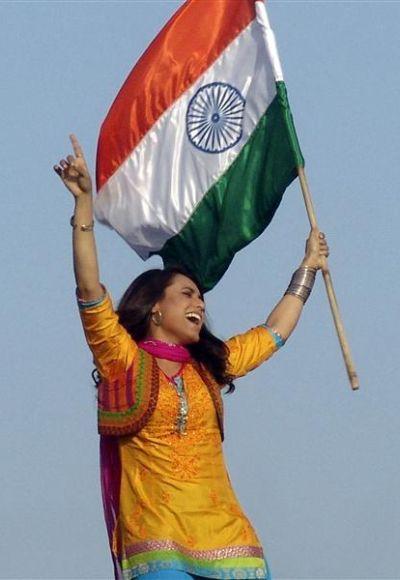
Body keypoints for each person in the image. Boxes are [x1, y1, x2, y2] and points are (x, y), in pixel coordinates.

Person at [54, 135, 329, 580]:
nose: (198, 302)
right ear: (156, 308)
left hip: (231, 542)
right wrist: (83, 207)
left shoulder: (210, 366)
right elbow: (89, 291)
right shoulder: (123, 360)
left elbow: (272, 333)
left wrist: (308, 268)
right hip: (158, 543)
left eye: (199, 296)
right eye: (186, 294)